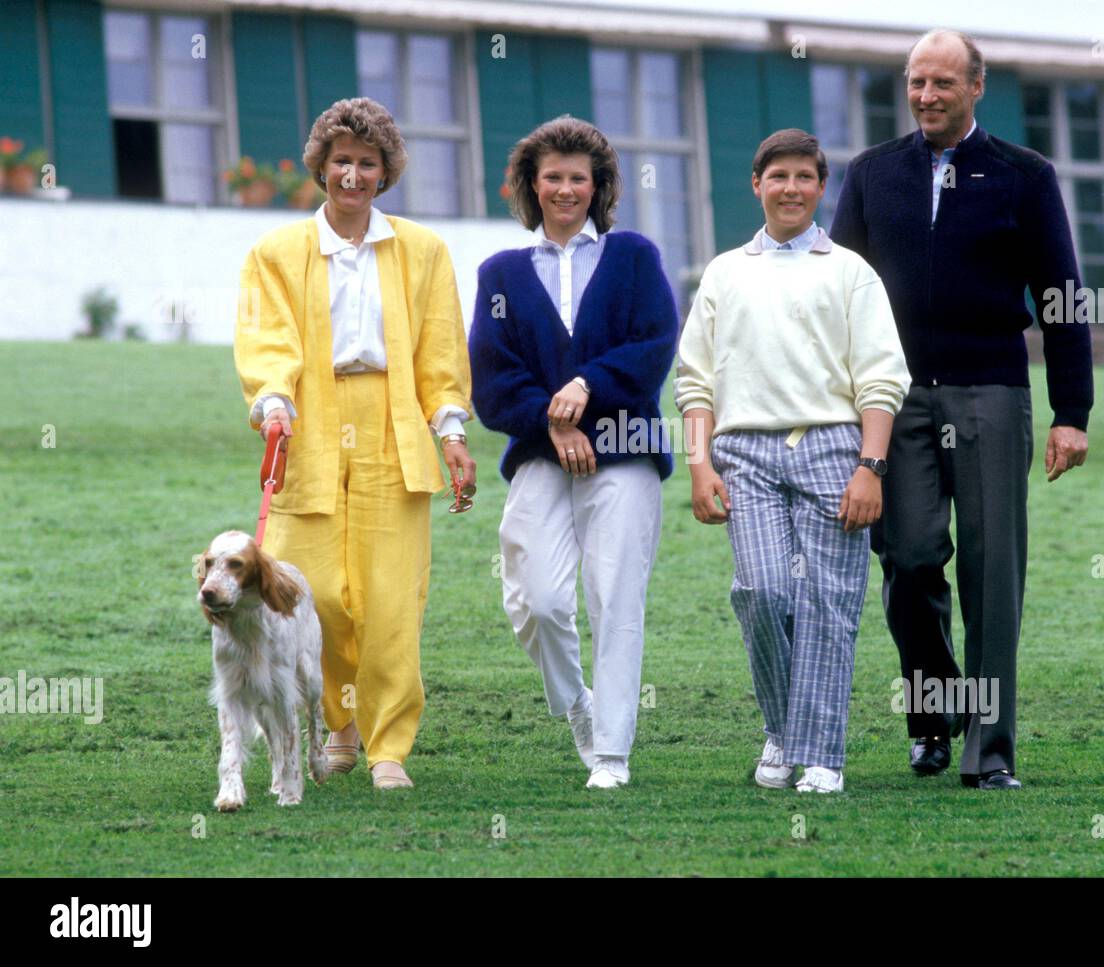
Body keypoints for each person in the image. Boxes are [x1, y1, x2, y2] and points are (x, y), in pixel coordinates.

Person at [829, 29, 1094, 789]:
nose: (926, 96)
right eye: (916, 82)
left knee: (991, 573)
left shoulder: (1025, 175)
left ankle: (990, 751)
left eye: (943, 83)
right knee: (908, 560)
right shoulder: (873, 174)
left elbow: (1062, 296)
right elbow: (840, 292)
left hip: (991, 391)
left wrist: (1070, 409)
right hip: (895, 396)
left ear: (976, 87)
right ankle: (934, 711)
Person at [234, 96, 475, 791]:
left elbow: (439, 350)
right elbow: (265, 336)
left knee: (392, 597)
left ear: (385, 171)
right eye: (342, 160)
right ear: (321, 164)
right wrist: (273, 401)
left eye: (368, 163)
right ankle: (340, 719)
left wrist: (450, 429)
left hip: (393, 419)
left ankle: (387, 746)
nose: (353, 174)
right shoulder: (274, 252)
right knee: (316, 591)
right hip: (309, 419)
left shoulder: (423, 250)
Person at [676, 129, 911, 794]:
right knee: (762, 590)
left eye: (805, 177)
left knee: (828, 605)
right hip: (744, 454)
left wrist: (872, 466)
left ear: (820, 186)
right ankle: (784, 728)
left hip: (834, 447)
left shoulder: (849, 271)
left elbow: (881, 379)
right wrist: (700, 464)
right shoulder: (725, 272)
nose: (791, 188)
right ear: (756, 184)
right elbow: (693, 381)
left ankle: (822, 757)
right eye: (777, 176)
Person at [468, 116, 677, 790]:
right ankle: (577, 704)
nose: (565, 189)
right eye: (552, 177)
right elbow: (492, 375)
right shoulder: (500, 272)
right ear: (532, 185)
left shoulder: (635, 256)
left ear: (598, 185)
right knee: (538, 597)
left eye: (577, 178)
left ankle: (611, 752)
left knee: (615, 594)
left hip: (625, 448)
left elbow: (653, 344)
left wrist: (586, 387)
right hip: (539, 452)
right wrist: (551, 421)